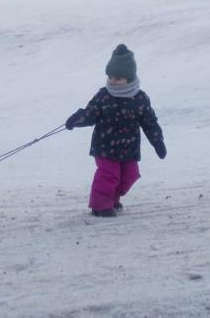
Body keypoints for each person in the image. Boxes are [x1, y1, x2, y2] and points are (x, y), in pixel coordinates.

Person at [65, 44, 166, 218]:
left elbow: (150, 122)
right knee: (109, 175)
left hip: (129, 148)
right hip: (105, 147)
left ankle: (112, 198)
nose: (113, 81)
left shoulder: (140, 98)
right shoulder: (104, 95)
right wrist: (76, 119)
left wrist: (158, 142)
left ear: (129, 78)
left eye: (118, 78)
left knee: (130, 175)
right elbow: (91, 113)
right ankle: (100, 206)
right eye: (110, 77)